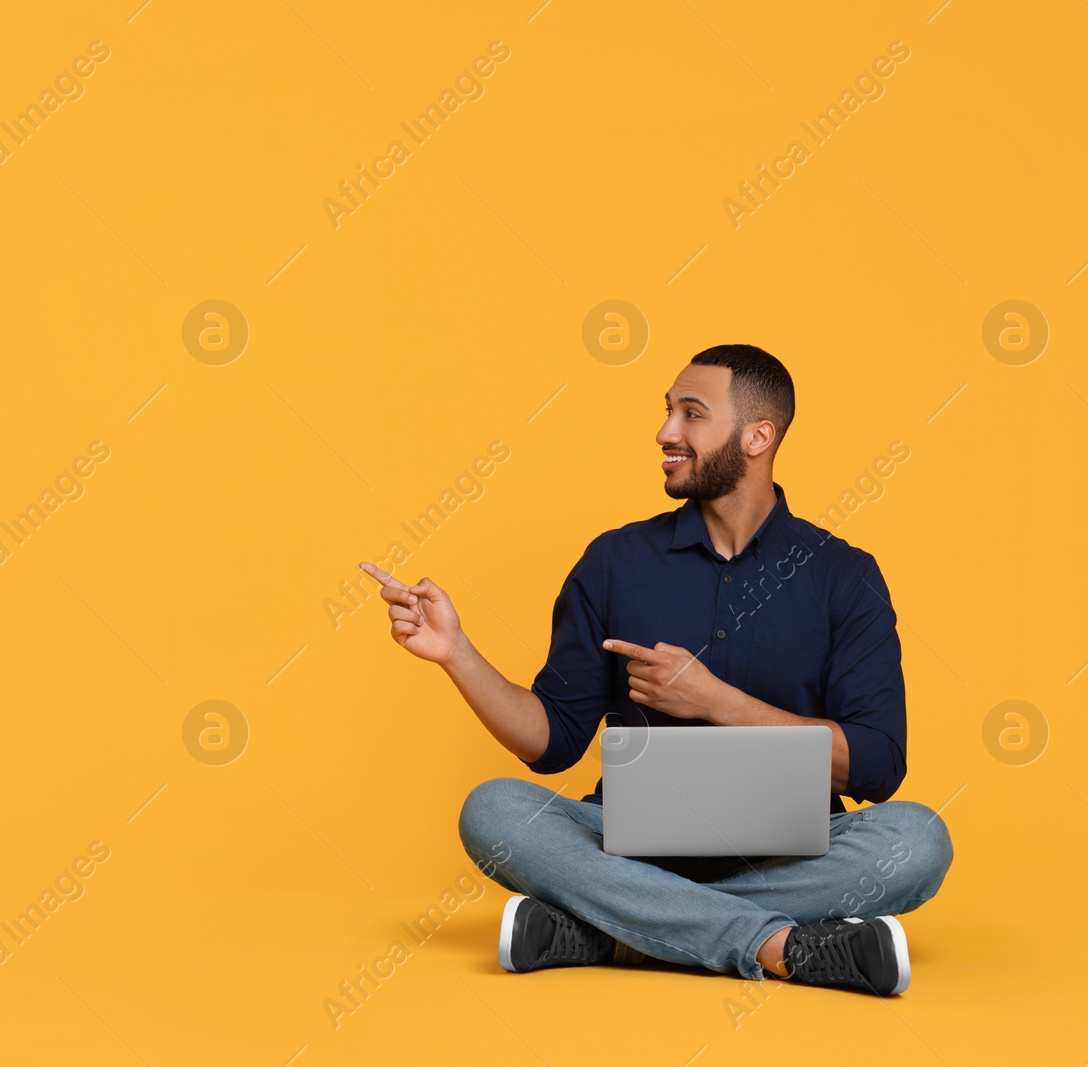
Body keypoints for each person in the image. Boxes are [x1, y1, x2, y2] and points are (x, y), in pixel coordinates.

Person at [360, 344, 952, 996]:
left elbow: (876, 763)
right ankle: (778, 943)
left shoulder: (843, 575)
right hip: (627, 845)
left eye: (691, 414)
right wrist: (456, 653)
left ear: (759, 436)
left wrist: (715, 700)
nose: (666, 432)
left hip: (790, 850)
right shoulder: (615, 561)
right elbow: (551, 741)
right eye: (668, 411)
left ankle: (620, 929)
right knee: (492, 810)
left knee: (918, 838)